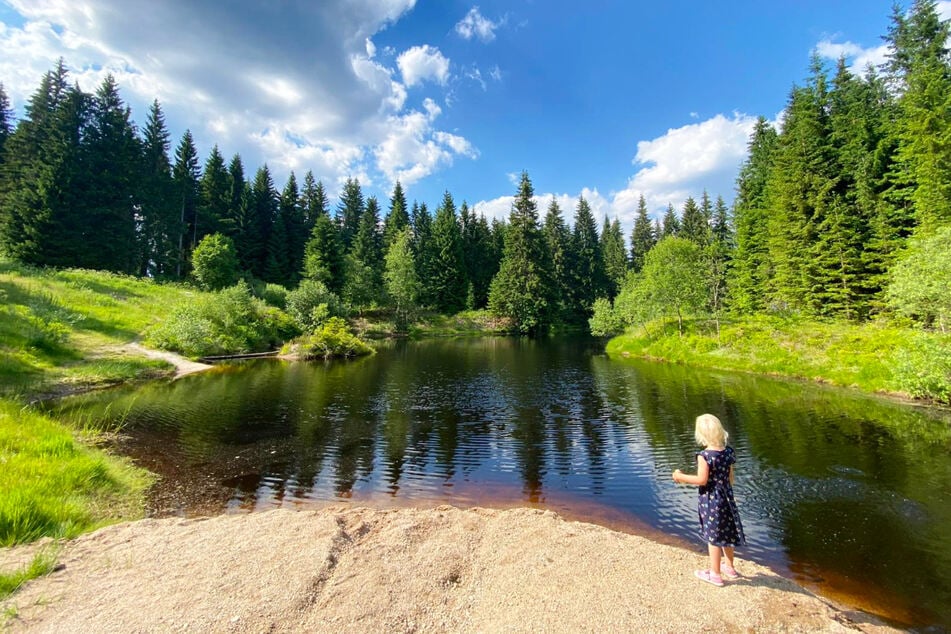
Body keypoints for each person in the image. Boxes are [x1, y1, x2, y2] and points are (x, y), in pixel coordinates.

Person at [672, 413, 746, 587]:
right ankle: (729, 567)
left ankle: (715, 574)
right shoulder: (728, 452)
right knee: (727, 532)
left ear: (701, 435)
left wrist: (680, 477)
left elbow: (701, 480)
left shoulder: (704, 455)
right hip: (727, 497)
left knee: (713, 537)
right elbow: (731, 479)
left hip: (711, 500)